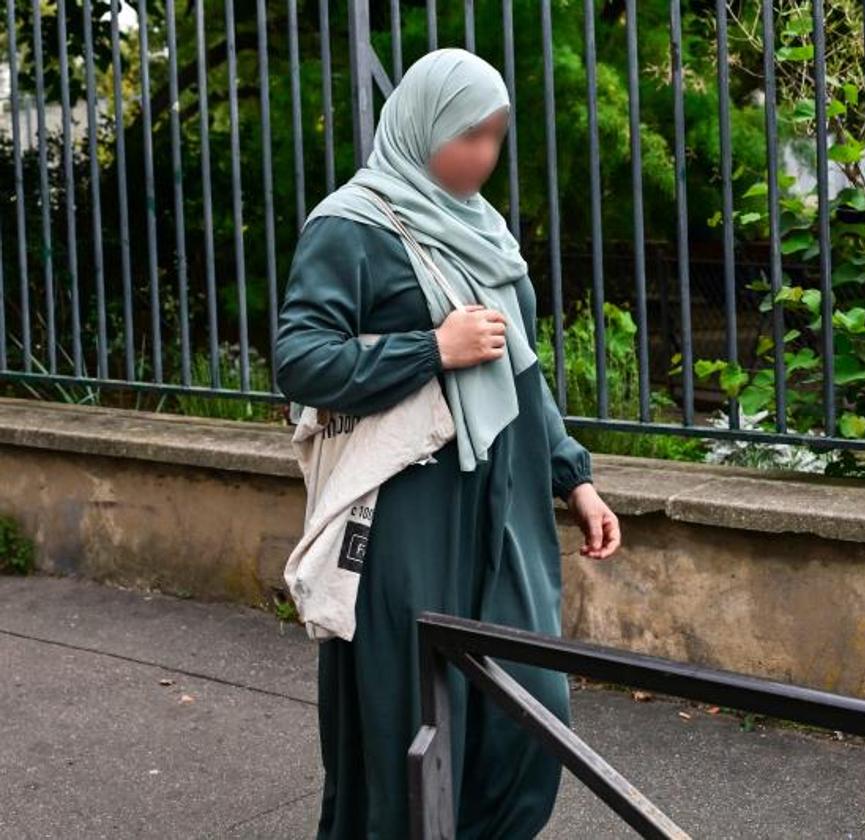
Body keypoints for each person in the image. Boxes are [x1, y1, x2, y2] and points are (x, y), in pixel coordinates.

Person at [274, 47, 621, 839]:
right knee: (410, 710)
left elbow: (523, 370)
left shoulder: (485, 230)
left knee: (534, 702)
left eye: (496, 136)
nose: (483, 155)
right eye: (468, 135)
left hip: (505, 503)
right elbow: (301, 360)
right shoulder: (350, 225)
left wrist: (575, 479)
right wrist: (433, 348)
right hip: (411, 507)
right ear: (422, 125)